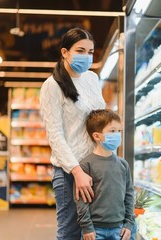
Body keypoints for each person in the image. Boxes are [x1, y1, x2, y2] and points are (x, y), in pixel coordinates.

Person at [40, 28, 106, 240]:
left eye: (90, 52)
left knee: (94, 231)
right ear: (65, 52)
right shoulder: (52, 86)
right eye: (80, 50)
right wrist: (77, 172)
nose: (86, 56)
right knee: (70, 231)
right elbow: (55, 135)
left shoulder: (92, 79)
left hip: (95, 168)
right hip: (70, 172)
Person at [76, 109, 135, 240]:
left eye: (119, 131)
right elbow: (81, 200)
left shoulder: (123, 164)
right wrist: (87, 227)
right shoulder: (86, 165)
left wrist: (129, 223)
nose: (118, 135)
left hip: (120, 229)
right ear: (97, 136)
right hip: (95, 230)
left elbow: (129, 195)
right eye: (112, 131)